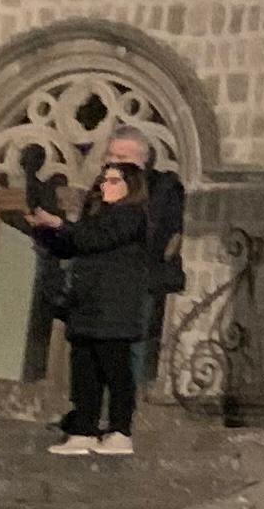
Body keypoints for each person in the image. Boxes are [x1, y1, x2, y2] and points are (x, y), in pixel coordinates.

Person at [22, 159, 165, 454]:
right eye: (104, 181)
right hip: (87, 305)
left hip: (114, 309)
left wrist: (60, 224)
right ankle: (84, 430)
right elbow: (74, 245)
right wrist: (45, 232)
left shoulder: (132, 216)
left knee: (114, 369)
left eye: (114, 182)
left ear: (131, 187)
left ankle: (119, 431)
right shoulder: (95, 216)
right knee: (84, 369)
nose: (104, 187)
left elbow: (96, 240)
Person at [98, 128, 187, 386]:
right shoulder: (104, 187)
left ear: (141, 159)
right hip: (103, 277)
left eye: (121, 155)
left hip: (139, 277)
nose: (112, 160)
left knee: (132, 346)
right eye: (110, 154)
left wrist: (150, 267)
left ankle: (122, 412)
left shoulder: (164, 187)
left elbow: (174, 234)